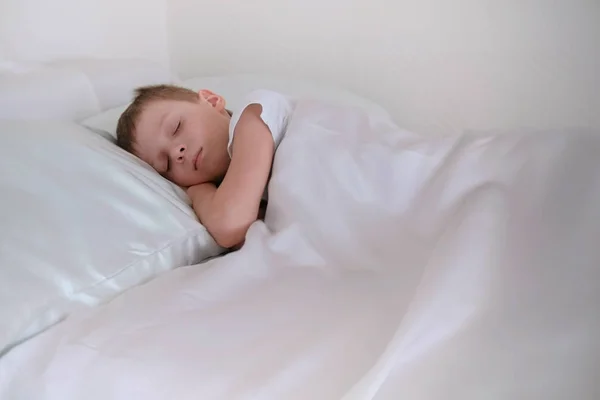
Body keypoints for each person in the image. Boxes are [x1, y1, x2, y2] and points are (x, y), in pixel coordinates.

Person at [115, 84, 294, 249]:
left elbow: (229, 225)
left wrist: (198, 192)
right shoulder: (238, 198)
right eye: (166, 164)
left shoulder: (254, 112)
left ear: (211, 100)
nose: (177, 152)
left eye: (176, 127)